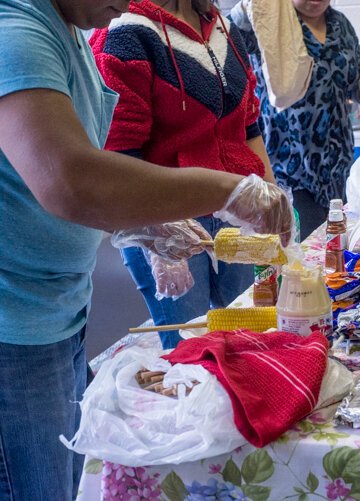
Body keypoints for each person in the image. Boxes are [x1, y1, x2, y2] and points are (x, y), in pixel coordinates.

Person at [0, 0, 292, 499]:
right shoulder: (16, 30)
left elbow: (88, 162)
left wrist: (143, 221)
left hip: (56, 309)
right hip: (15, 323)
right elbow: (71, 180)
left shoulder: (68, 27)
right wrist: (226, 192)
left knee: (68, 480)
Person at [90, 0, 276, 349]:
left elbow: (249, 126)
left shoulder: (221, 24)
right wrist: (157, 243)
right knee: (190, 350)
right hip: (167, 219)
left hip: (236, 207)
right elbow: (117, 153)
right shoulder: (123, 31)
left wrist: (270, 195)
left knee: (249, 335)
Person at [227, 0, 360, 239]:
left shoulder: (341, 25)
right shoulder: (272, 22)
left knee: (336, 249)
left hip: (337, 166)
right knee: (300, 256)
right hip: (287, 167)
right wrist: (246, 9)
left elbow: (353, 85)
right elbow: (229, 38)